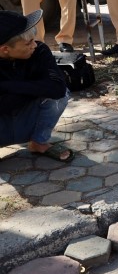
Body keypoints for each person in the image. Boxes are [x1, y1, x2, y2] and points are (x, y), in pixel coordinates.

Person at [0, 10, 72, 162]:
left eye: (34, 40)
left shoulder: (39, 51)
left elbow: (57, 88)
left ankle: (38, 142)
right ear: (5, 49)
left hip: (24, 119)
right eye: (28, 43)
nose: (35, 45)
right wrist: (35, 88)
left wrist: (6, 86)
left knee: (61, 96)